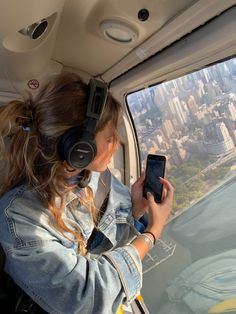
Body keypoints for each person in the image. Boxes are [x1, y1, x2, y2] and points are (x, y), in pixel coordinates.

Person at [0, 72, 174, 314]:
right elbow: (88, 297)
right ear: (79, 148)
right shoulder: (19, 215)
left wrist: (136, 209)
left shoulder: (96, 179)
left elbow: (100, 247)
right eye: (111, 137)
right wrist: (152, 233)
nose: (117, 143)